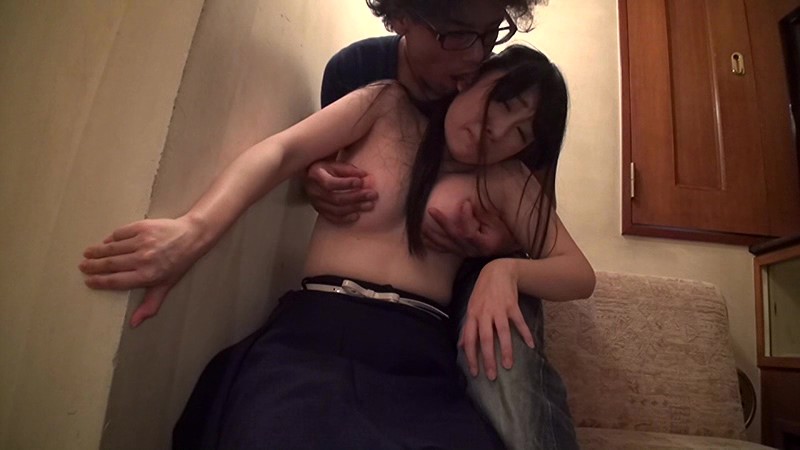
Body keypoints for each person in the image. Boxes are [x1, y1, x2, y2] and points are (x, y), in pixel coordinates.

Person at [79, 44, 594, 449]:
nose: (499, 131)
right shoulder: (386, 105)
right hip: (313, 332)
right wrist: (195, 230)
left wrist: (505, 271)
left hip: (414, 356)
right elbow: (282, 151)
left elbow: (578, 272)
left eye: (521, 133)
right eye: (504, 103)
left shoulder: (505, 179)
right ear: (471, 78)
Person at [306, 1, 583, 448]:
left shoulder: (504, 100)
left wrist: (499, 254)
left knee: (504, 365)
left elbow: (544, 231)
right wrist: (315, 177)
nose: (475, 54)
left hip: (480, 273)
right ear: (402, 19)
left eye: (492, 33)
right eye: (458, 33)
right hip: (366, 306)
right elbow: (321, 160)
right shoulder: (362, 74)